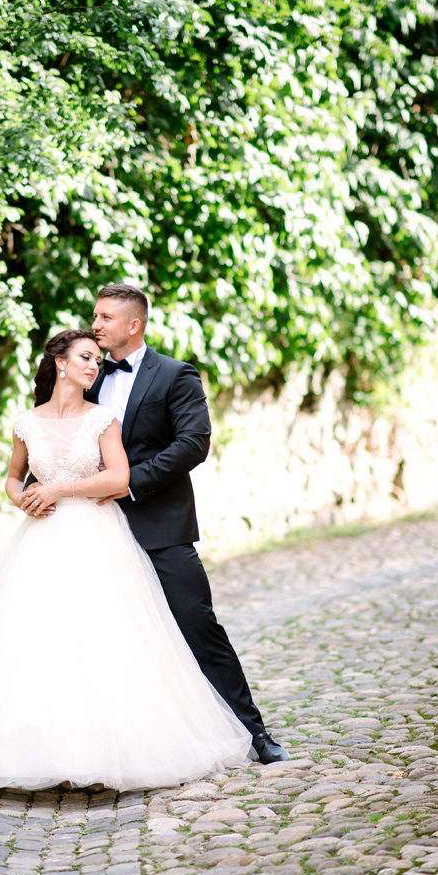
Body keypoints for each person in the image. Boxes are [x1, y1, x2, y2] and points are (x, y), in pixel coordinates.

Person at [0, 330, 252, 792]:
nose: (95, 365)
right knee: (37, 640)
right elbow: (14, 478)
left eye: (98, 359)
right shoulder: (26, 422)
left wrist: (60, 488)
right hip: (40, 539)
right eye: (85, 357)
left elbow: (119, 476)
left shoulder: (102, 418)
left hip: (97, 535)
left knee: (102, 636)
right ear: (59, 363)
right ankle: (32, 752)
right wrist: (22, 500)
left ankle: (110, 753)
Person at [86, 283, 290, 764]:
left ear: (134, 325)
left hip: (160, 524)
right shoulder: (84, 372)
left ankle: (254, 734)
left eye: (105, 318)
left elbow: (193, 442)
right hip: (91, 527)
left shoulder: (175, 375)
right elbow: (57, 429)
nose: (95, 326)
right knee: (95, 634)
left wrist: (129, 483)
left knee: (198, 626)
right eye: (94, 316)